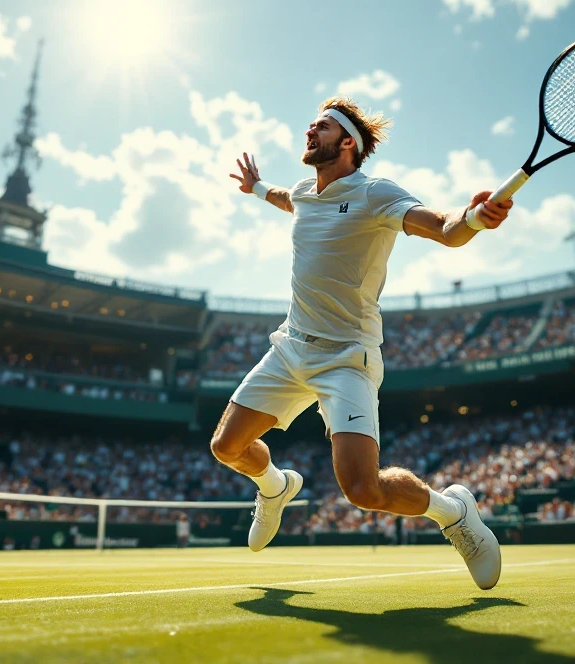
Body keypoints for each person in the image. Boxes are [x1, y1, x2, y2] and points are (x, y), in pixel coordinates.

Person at [211, 97, 512, 590]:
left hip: (347, 358)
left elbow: (445, 230)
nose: (311, 130)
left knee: (363, 490)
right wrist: (258, 188)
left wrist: (476, 218)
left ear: (348, 142)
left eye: (323, 126)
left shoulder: (376, 194)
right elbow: (292, 199)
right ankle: (276, 486)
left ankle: (454, 512)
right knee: (226, 446)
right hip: (290, 348)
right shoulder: (309, 190)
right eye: (311, 123)